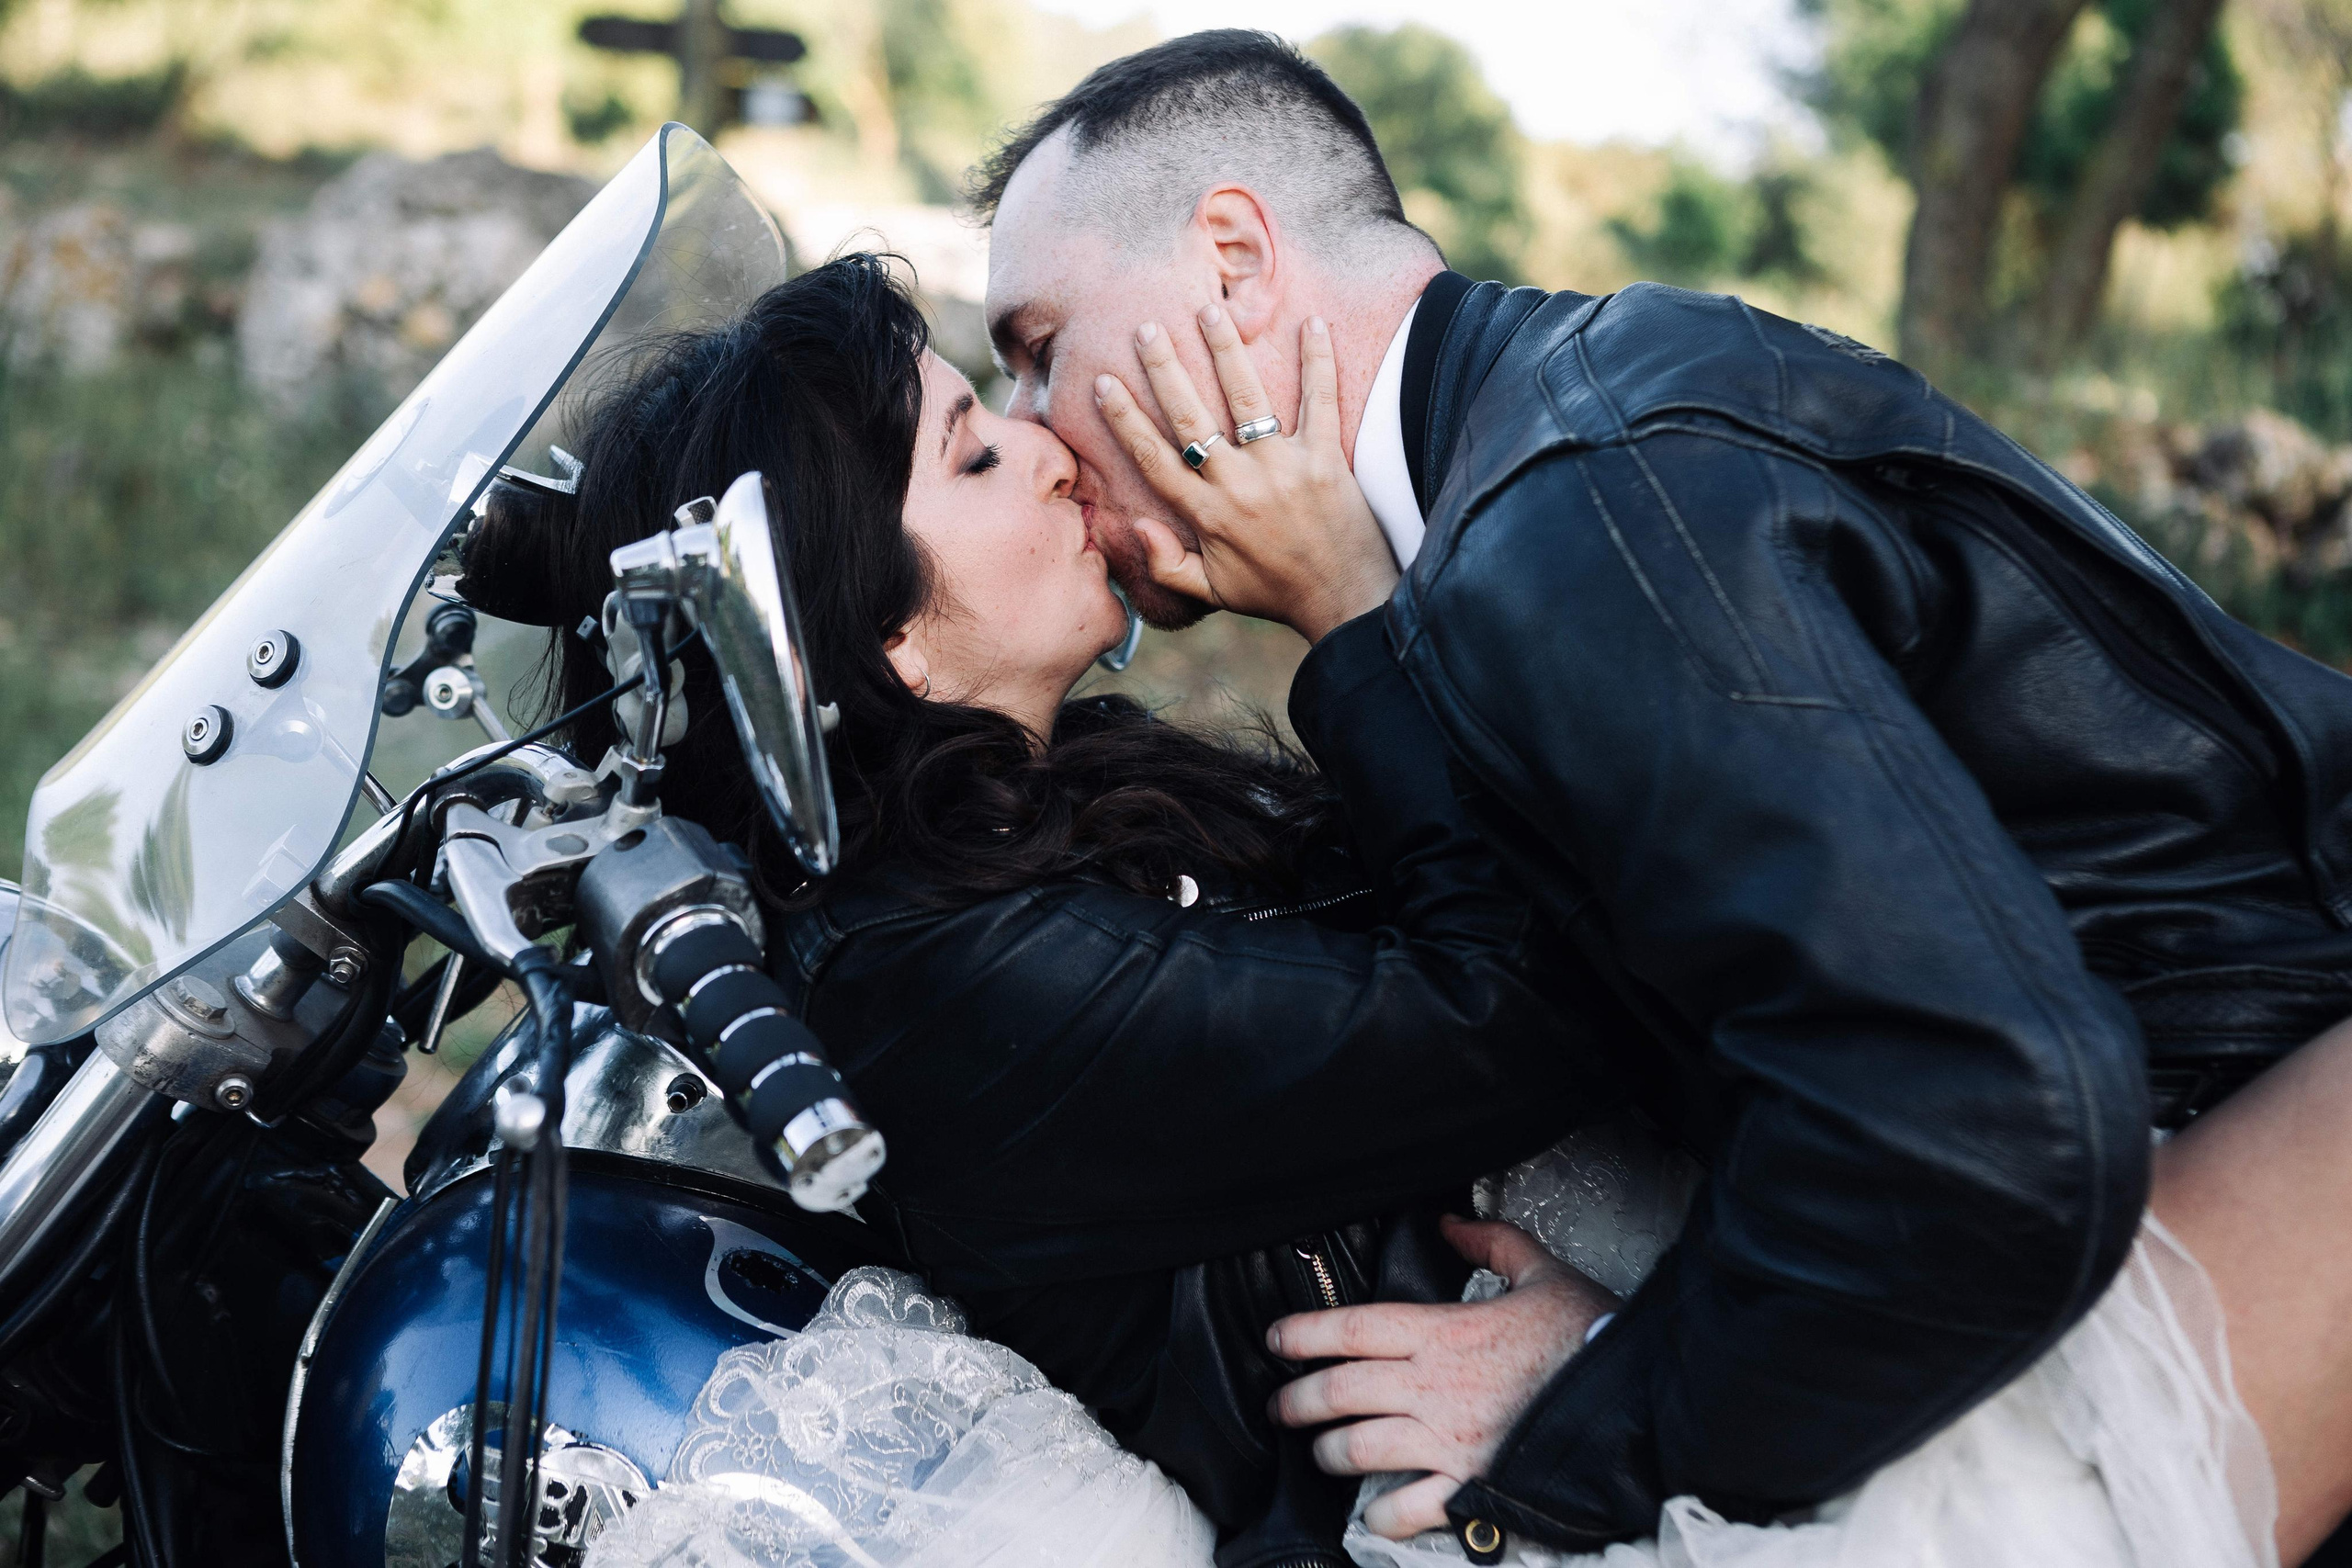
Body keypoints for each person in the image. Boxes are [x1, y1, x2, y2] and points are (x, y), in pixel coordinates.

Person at [969, 28, 2352, 1565]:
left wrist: (1594, 1410)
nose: (1026, 429)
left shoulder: (1577, 513)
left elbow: (1979, 1113)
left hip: (2246, 1194)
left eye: (1037, 347)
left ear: (1233, 259)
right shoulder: (1537, 452)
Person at [468, 252, 1632, 1568]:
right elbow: (1514, 1011)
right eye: (972, 456)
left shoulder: (1054, 815)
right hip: (1458, 1513)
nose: (1050, 450)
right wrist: (1346, 604)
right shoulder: (933, 974)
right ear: (876, 631)